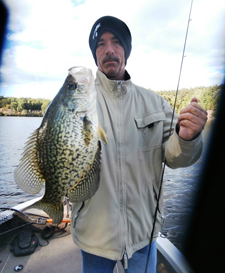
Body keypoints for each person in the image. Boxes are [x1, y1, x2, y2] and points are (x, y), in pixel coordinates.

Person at [71, 16, 207, 273]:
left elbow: (175, 157)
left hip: (144, 233)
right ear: (95, 54)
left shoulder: (155, 104)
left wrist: (186, 138)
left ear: (126, 50)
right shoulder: (78, 100)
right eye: (100, 44)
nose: (109, 50)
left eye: (116, 42)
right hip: (93, 235)